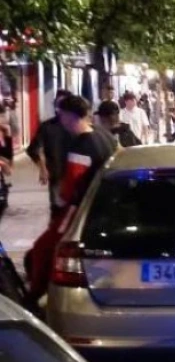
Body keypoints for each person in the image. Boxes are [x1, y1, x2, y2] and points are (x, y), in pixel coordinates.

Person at [25, 95, 118, 303]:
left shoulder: (81, 146)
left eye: (62, 115)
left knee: (44, 248)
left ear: (68, 116)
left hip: (79, 209)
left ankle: (35, 297)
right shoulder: (105, 137)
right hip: (104, 208)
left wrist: (62, 205)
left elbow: (71, 185)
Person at [26, 90, 74, 218]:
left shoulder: (77, 125)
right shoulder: (47, 126)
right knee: (57, 215)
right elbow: (32, 149)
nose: (59, 107)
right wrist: (42, 168)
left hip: (77, 177)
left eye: (63, 104)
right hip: (57, 177)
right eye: (57, 104)